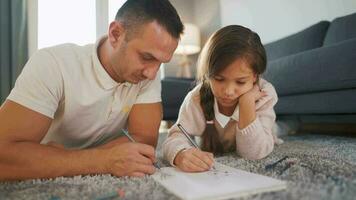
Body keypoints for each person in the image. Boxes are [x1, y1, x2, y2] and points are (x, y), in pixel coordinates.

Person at [0, 0, 183, 181]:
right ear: (115, 34)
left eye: (161, 62)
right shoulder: (53, 64)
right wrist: (102, 160)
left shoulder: (145, 75)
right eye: (146, 57)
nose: (152, 74)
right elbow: (4, 155)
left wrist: (65, 158)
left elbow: (144, 139)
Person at [162, 25, 283, 172]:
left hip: (265, 132)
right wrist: (181, 154)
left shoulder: (264, 94)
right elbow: (174, 137)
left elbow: (254, 154)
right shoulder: (196, 98)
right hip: (215, 141)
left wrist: (247, 103)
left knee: (281, 129)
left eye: (240, 82)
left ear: (255, 77)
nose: (228, 91)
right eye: (219, 79)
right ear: (208, 74)